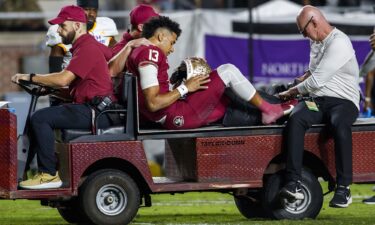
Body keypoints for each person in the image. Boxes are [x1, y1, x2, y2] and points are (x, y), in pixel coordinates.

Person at [112, 15, 293, 130]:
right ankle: (270, 109)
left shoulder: (139, 52)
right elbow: (153, 103)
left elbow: (153, 93)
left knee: (224, 97)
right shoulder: (150, 52)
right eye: (172, 42)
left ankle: (273, 105)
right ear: (161, 37)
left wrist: (179, 80)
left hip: (171, 113)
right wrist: (184, 88)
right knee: (227, 71)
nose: (172, 49)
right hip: (174, 115)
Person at [11, 5, 116, 189]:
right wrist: (48, 90)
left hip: (97, 111)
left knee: (41, 118)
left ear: (77, 26)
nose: (59, 30)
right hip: (93, 107)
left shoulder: (87, 48)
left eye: (62, 26)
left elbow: (63, 79)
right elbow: (75, 86)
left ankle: (49, 175)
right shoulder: (83, 47)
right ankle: (24, 172)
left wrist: (30, 76)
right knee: (40, 118)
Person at [278, 5, 360, 208]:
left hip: (344, 101)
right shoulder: (316, 42)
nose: (304, 36)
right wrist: (293, 82)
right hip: (319, 101)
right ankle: (293, 183)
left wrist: (290, 92)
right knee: (296, 119)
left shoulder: (339, 42)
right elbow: (312, 73)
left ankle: (344, 188)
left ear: (314, 22)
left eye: (303, 31)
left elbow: (316, 82)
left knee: (338, 123)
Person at [46, 0, 118, 73]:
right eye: (87, 9)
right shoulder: (61, 29)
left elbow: (114, 55)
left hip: (100, 75)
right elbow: (54, 69)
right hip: (69, 77)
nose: (92, 14)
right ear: (78, 10)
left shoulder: (106, 25)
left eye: (94, 10)